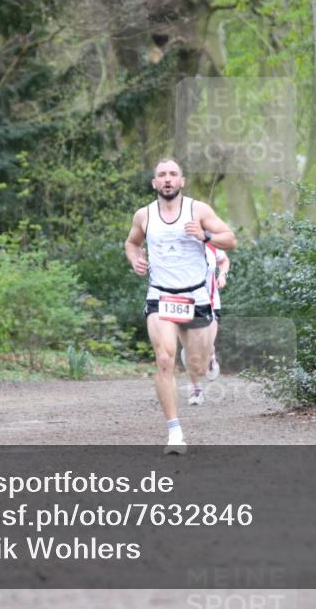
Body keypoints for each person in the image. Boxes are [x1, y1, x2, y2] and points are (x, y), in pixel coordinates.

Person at [125, 158, 236, 453]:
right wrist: (135, 260)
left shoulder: (198, 210)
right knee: (164, 359)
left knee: (196, 363)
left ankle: (203, 357)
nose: (167, 179)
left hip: (196, 297)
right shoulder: (144, 215)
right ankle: (175, 433)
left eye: (173, 174)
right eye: (162, 175)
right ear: (154, 183)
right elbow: (132, 243)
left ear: (182, 181)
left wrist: (205, 235)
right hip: (160, 296)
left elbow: (230, 240)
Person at [181, 243, 229, 404]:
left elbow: (224, 260)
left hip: (210, 303)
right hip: (184, 304)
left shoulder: (212, 244)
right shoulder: (178, 243)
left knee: (207, 345)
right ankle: (196, 390)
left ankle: (211, 356)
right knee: (189, 347)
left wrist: (222, 275)